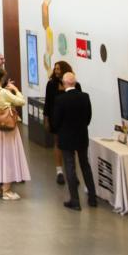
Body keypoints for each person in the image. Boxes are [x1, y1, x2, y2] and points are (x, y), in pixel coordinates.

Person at [0, 67, 30, 200]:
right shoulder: (4, 92)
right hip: (8, 130)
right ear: (2, 78)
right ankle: (7, 191)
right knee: (9, 158)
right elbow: (21, 101)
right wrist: (15, 90)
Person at [52, 72, 96, 211]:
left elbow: (56, 121)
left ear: (64, 84)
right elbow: (88, 117)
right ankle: (92, 198)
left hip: (66, 137)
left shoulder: (60, 100)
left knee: (70, 167)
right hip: (82, 136)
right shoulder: (85, 97)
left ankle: (75, 201)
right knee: (85, 165)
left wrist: (60, 130)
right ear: (75, 83)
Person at [44, 61, 81, 185]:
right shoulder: (51, 85)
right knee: (58, 143)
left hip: (70, 120)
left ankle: (72, 172)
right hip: (56, 119)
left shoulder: (76, 85)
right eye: (55, 69)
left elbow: (78, 101)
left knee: (72, 146)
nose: (56, 71)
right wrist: (46, 119)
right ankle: (59, 171)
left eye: (59, 69)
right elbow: (48, 103)